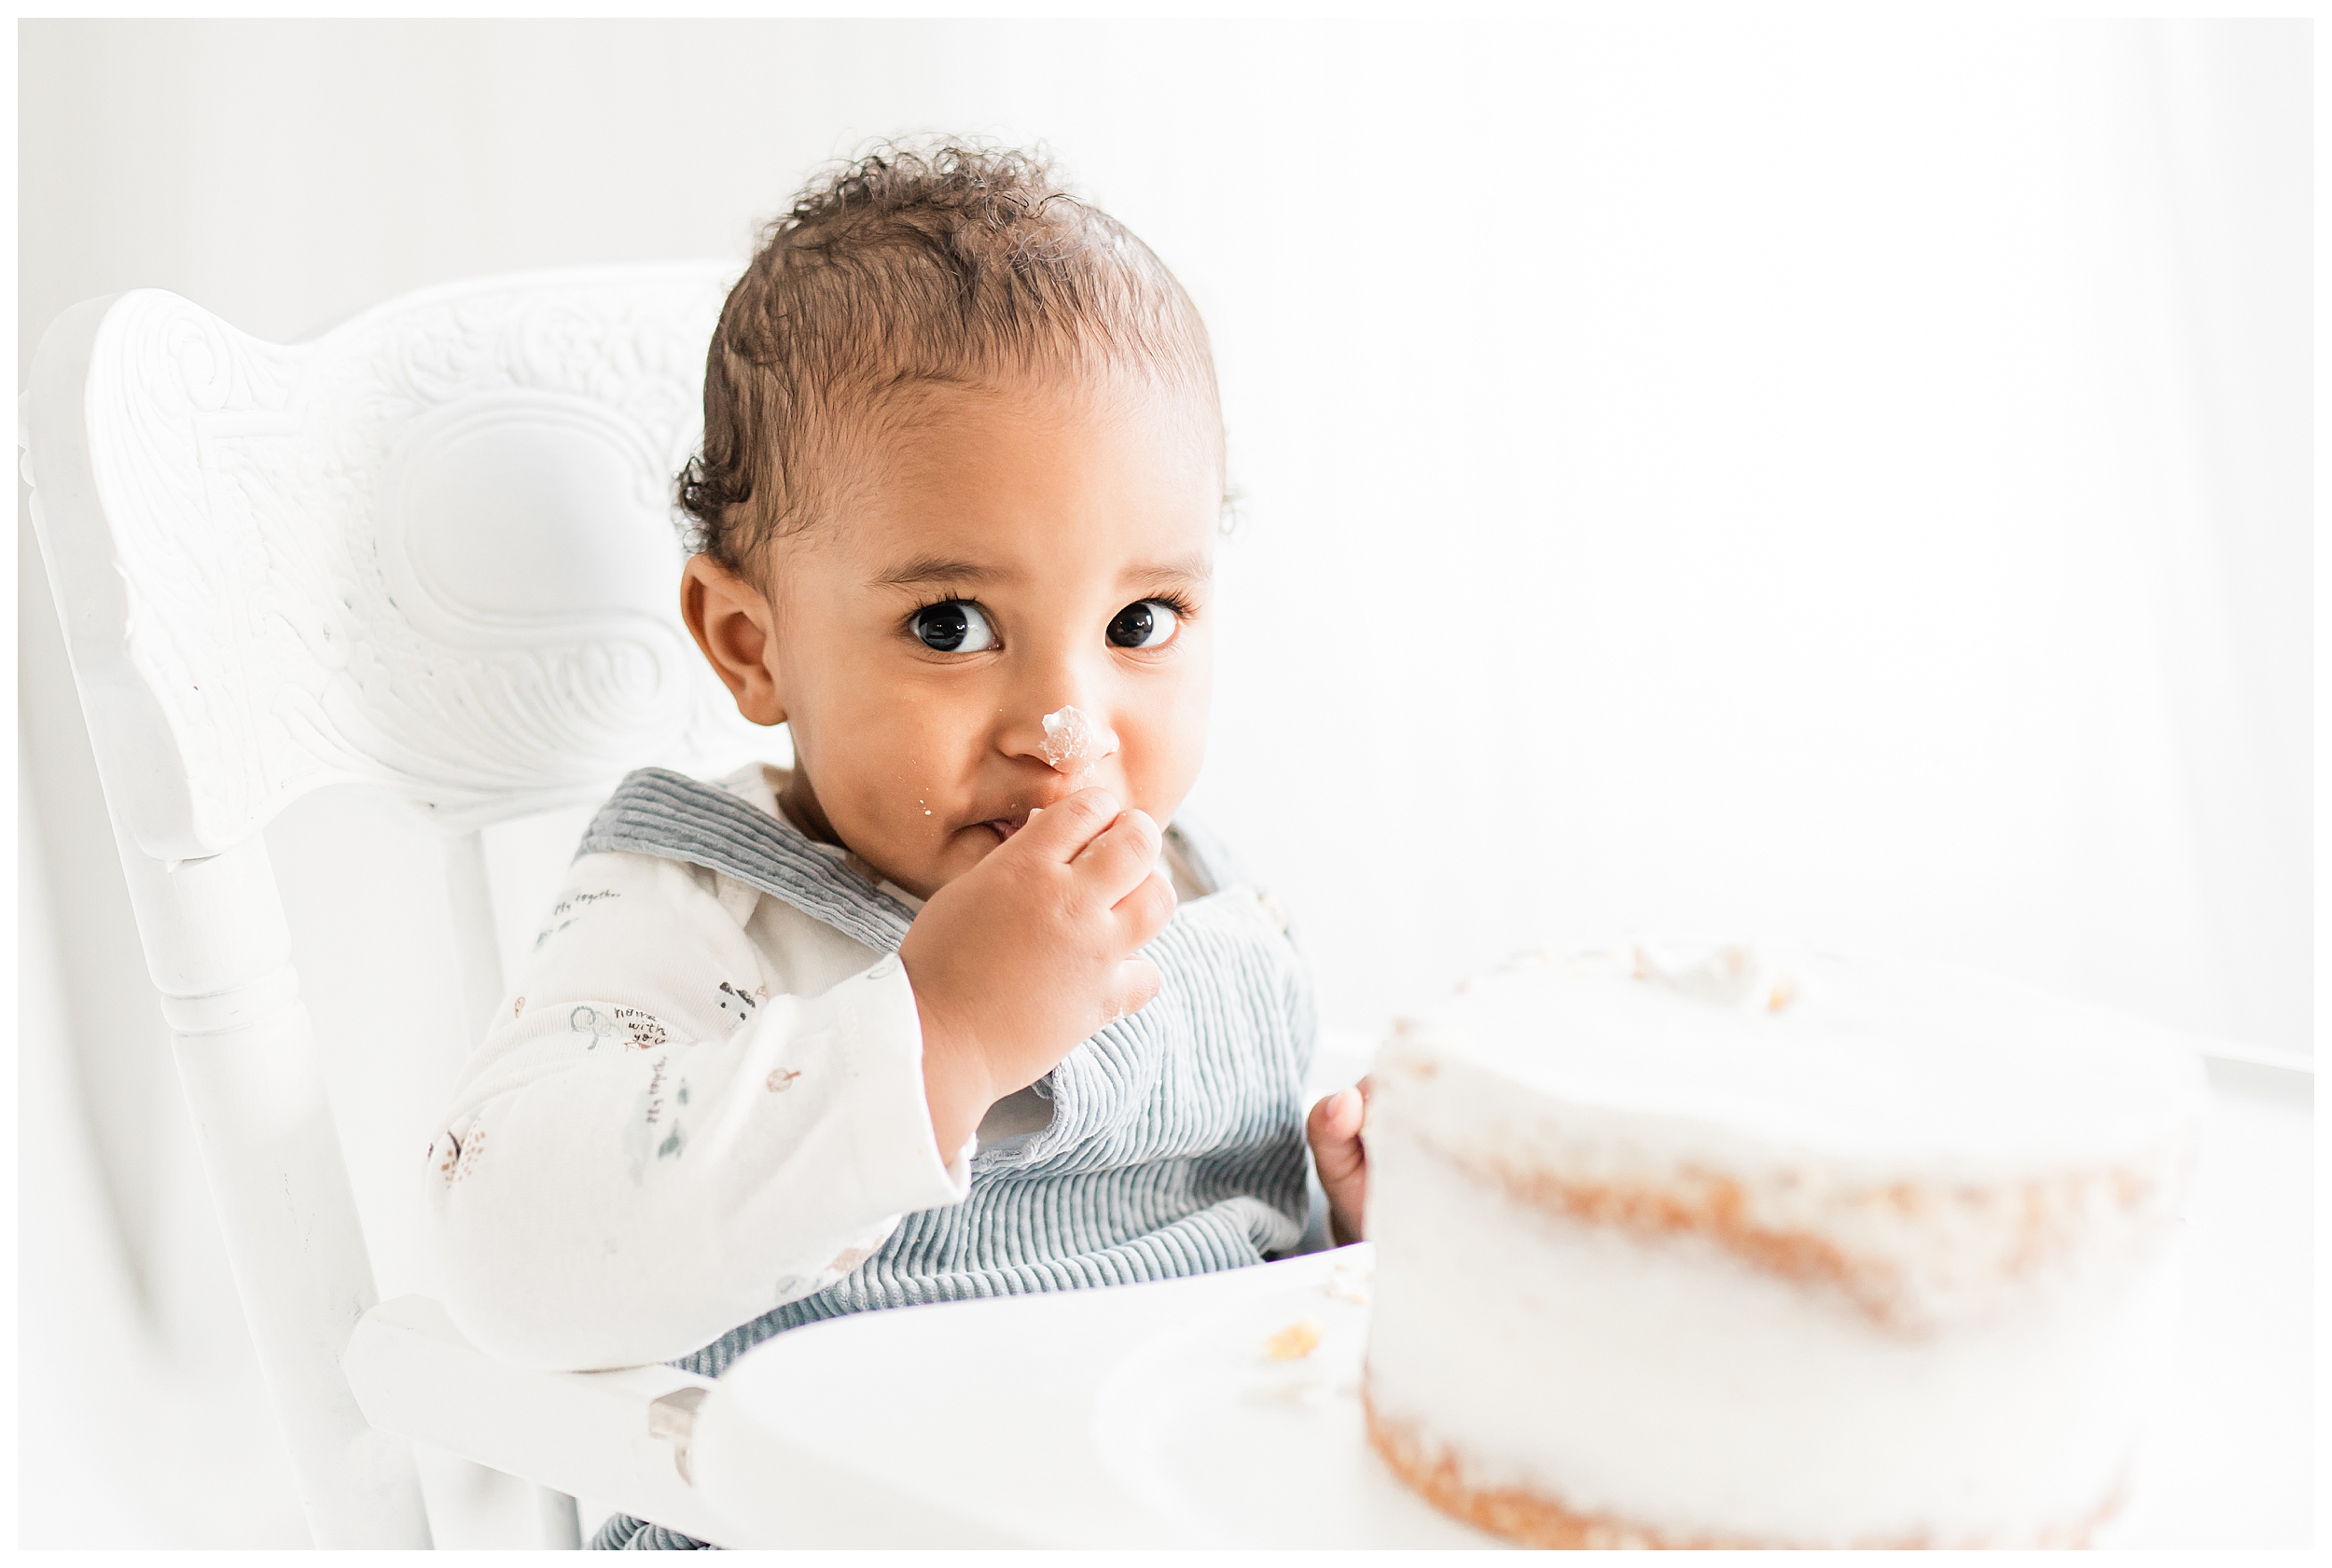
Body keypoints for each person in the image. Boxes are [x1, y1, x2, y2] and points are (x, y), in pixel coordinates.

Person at [422, 142, 1372, 1544]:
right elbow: (502, 1243)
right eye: (949, 626)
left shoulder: (1201, 893)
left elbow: (1231, 1251)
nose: (1069, 726)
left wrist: (1348, 1228)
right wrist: (935, 1038)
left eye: (1140, 623)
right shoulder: (701, 911)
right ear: (753, 644)